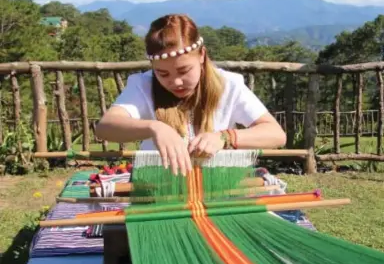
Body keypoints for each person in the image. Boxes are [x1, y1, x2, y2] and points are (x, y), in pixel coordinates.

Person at [96, 13, 286, 176]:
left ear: (202, 55)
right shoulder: (143, 85)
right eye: (163, 74)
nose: (176, 81)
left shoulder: (228, 85)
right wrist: (155, 128)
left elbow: (276, 135)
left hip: (221, 185)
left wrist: (225, 137)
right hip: (160, 185)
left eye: (184, 70)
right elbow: (105, 127)